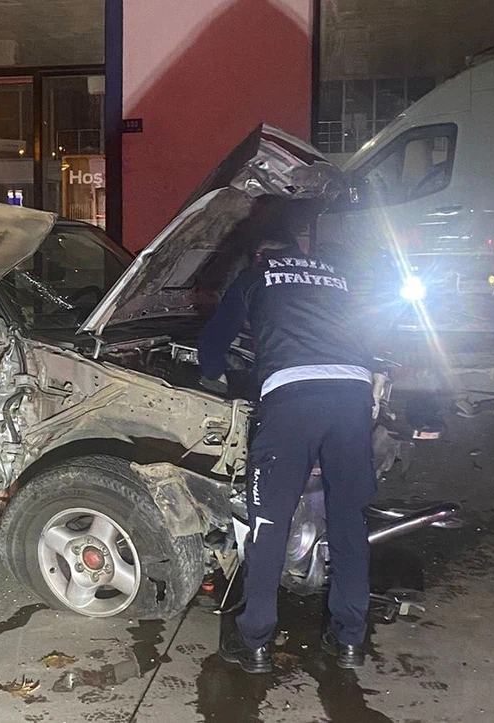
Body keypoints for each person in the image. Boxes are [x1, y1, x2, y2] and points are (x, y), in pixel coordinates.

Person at [198, 204, 375, 673]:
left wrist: (216, 375)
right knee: (349, 519)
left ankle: (254, 641)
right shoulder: (335, 277)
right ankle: (350, 639)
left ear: (260, 253)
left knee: (269, 522)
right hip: (354, 395)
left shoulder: (256, 275)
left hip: (293, 399)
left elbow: (213, 348)